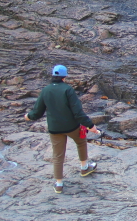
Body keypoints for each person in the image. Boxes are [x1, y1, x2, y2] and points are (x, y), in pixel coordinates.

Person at [24, 65, 99, 194]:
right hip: (72, 126)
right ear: (64, 77)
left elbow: (37, 112)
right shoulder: (68, 90)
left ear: (53, 75)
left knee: (58, 156)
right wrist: (90, 126)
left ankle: (59, 184)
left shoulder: (45, 90)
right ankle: (84, 168)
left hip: (54, 128)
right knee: (81, 141)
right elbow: (78, 112)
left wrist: (28, 116)